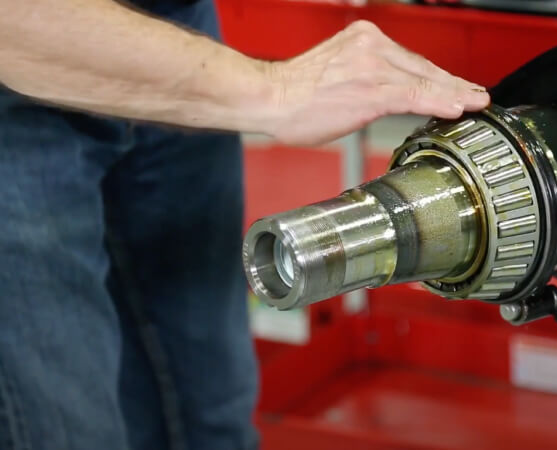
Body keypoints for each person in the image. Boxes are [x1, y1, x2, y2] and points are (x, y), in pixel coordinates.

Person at [0, 0, 490, 449]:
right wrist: (272, 90)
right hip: (22, 58)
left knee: (213, 412)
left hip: (172, 24)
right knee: (68, 427)